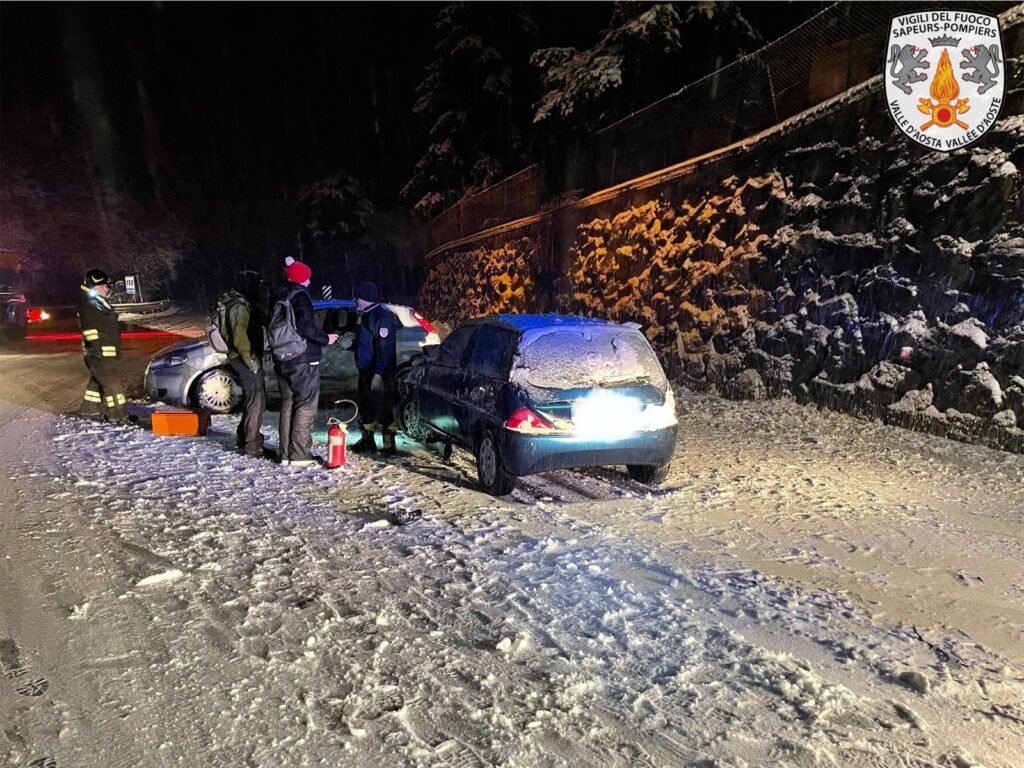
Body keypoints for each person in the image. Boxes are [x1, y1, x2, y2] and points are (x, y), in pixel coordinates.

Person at [274, 257, 339, 466]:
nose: (310, 282)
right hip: (303, 359)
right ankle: (300, 455)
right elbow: (307, 328)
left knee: (288, 404)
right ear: (302, 278)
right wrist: (325, 338)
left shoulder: (281, 295)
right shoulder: (301, 297)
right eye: (308, 278)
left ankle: (285, 454)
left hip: (283, 357)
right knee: (306, 405)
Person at [222, 271, 269, 458]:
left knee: (255, 400)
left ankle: (246, 437)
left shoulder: (236, 301)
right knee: (256, 401)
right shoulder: (240, 306)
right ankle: (252, 444)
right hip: (243, 358)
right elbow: (240, 337)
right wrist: (252, 362)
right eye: (257, 285)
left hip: (240, 357)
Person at [350, 281, 400, 456]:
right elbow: (365, 343)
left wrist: (378, 373)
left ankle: (389, 445)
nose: (355, 300)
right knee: (366, 407)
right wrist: (350, 344)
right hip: (366, 371)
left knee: (383, 406)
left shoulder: (382, 317)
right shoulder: (365, 315)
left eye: (357, 297)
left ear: (364, 298)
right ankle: (367, 441)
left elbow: (384, 348)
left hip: (381, 373)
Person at [77, 269, 129, 425]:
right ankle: (118, 416)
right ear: (95, 288)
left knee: (97, 382)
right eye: (104, 286)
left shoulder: (99, 303)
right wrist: (97, 350)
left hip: (105, 354)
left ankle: (89, 410)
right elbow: (91, 331)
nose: (107, 289)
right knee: (113, 385)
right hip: (99, 354)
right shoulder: (89, 305)